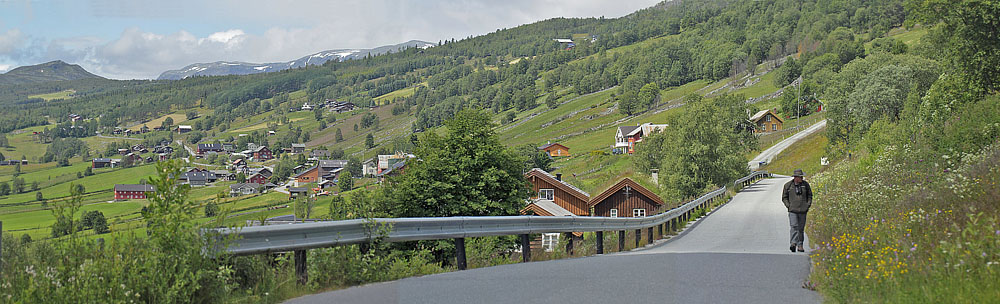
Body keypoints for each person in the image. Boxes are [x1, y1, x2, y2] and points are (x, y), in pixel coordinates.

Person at [782, 169, 812, 253]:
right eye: (800, 177)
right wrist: (789, 206)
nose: (801, 178)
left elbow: (810, 195)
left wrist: (807, 205)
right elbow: (784, 197)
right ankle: (793, 243)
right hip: (792, 210)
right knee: (794, 226)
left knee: (801, 229)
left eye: (801, 177)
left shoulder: (805, 185)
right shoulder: (788, 186)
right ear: (795, 177)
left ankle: (800, 245)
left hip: (803, 210)